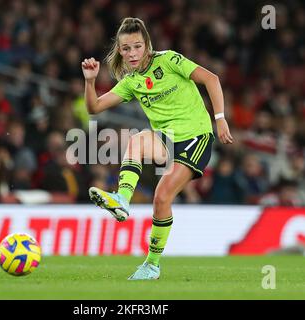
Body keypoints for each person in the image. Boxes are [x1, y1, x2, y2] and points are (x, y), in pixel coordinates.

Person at [81, 17, 233, 280]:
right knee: (138, 140)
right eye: (126, 49)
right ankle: (122, 200)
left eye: (137, 47)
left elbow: (211, 79)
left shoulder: (170, 60)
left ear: (147, 45)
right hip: (167, 137)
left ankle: (151, 264)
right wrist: (90, 81)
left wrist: (219, 118)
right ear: (120, 50)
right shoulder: (131, 82)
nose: (132, 54)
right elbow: (94, 107)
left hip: (196, 137)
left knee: (162, 198)